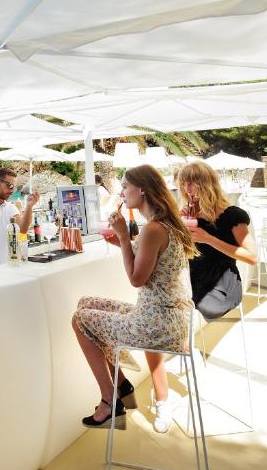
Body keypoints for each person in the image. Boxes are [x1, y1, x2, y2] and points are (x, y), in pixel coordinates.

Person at [71, 164, 197, 432]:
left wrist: (124, 239)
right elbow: (146, 258)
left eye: (125, 186)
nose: (121, 191)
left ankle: (111, 401)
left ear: (142, 189)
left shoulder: (153, 229)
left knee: (80, 319)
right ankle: (122, 383)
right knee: (87, 303)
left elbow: (137, 279)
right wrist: (123, 241)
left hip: (157, 324)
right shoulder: (164, 224)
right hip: (170, 317)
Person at [177, 162, 257, 323]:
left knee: (195, 306)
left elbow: (252, 257)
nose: (187, 189)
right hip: (192, 278)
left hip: (222, 284)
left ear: (207, 183)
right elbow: (183, 250)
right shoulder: (190, 215)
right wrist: (179, 224)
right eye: (184, 184)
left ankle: (187, 344)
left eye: (191, 183)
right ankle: (187, 346)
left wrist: (209, 239)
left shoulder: (232, 215)